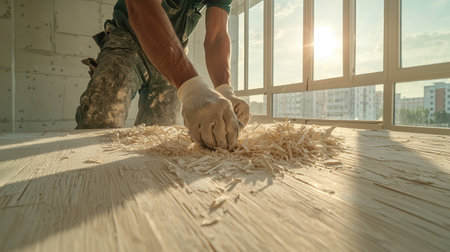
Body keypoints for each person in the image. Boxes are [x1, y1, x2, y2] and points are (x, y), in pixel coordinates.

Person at [75, 0, 250, 150]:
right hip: (126, 41)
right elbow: (141, 7)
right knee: (99, 120)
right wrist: (192, 87)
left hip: (174, 52)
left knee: (159, 135)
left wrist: (225, 89)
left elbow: (217, 36)